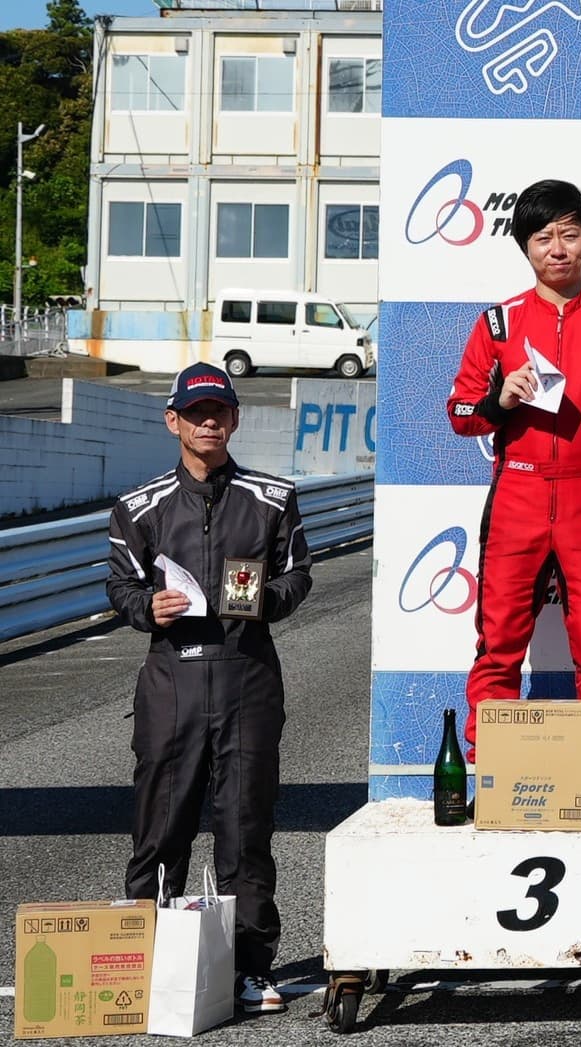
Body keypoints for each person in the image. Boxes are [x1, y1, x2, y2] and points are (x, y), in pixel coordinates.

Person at [447, 180, 581, 810]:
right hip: (516, 491)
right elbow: (460, 412)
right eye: (544, 237)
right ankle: (491, 780)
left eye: (570, 234)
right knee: (498, 645)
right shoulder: (498, 322)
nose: (559, 249)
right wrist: (500, 400)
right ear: (525, 247)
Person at [107, 363, 312, 1012]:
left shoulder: (273, 497)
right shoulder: (138, 507)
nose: (208, 423)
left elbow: (298, 573)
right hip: (172, 681)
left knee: (245, 828)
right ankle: (146, 962)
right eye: (195, 414)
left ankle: (250, 968)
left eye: (218, 412)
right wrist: (147, 607)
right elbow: (120, 585)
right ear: (173, 420)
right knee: (160, 829)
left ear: (235, 419)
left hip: (248, 675)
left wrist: (266, 601)